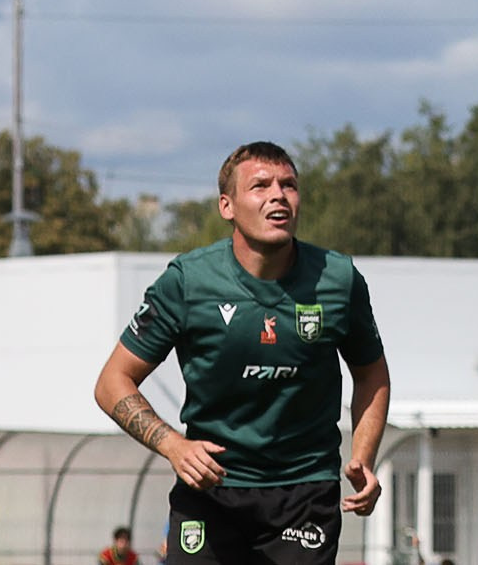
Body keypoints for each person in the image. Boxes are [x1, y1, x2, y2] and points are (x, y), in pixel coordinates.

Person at [93, 142, 393, 565]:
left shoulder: (338, 279)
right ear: (227, 206)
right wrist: (174, 446)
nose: (278, 195)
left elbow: (372, 375)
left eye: (289, 185)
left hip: (304, 492)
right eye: (260, 186)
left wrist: (362, 455)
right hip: (210, 490)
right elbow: (111, 383)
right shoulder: (187, 282)